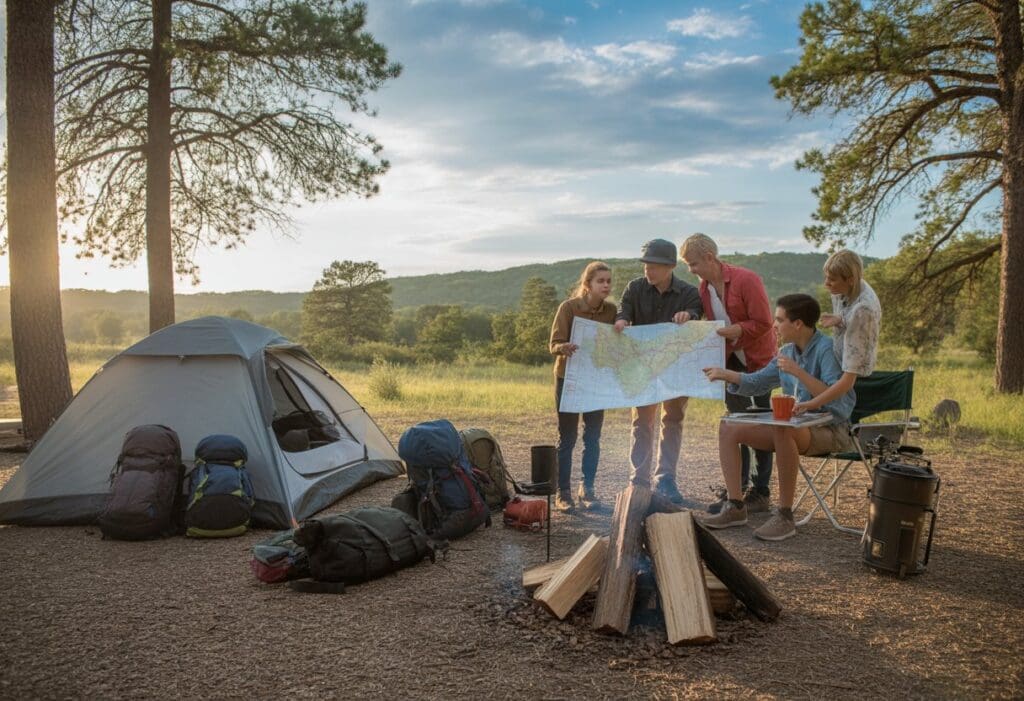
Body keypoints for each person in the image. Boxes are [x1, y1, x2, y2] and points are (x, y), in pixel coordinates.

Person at [700, 294, 855, 541]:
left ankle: (784, 516)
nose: (774, 325)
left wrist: (798, 372)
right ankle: (736, 506)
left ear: (798, 324)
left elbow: (834, 396)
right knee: (729, 427)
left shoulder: (826, 349)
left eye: (779, 320)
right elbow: (757, 382)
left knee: (782, 428)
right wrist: (725, 374)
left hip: (831, 429)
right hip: (796, 427)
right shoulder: (786, 352)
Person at [679, 233, 777, 514]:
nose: (691, 270)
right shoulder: (704, 288)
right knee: (735, 423)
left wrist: (737, 331)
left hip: (758, 362)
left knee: (758, 425)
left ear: (710, 258)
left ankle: (760, 492)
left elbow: (764, 323)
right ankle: (737, 487)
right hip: (731, 362)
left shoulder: (747, 279)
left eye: (693, 263)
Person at [615, 238, 703, 505]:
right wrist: (620, 320)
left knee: (672, 420)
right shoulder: (635, 288)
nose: (648, 271)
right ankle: (638, 479)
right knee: (642, 422)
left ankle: (665, 478)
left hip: (676, 370)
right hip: (643, 369)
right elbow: (624, 310)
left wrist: (689, 315)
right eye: (646, 265)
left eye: (654, 266)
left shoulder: (689, 292)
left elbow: (697, 311)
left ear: (671, 267)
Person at [548, 261, 617, 511]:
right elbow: (553, 344)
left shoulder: (611, 311)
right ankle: (562, 493)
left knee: (593, 437)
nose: (606, 285)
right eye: (601, 281)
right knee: (567, 437)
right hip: (569, 378)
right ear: (587, 284)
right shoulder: (568, 308)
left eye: (609, 281)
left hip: (595, 380)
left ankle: (587, 489)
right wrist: (563, 348)